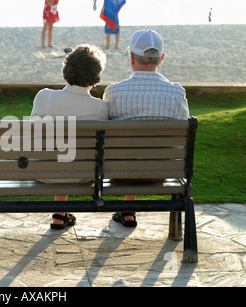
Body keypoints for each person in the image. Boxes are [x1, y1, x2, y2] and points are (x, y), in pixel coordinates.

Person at [102, 29, 190, 227]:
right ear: (161, 58)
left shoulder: (114, 92)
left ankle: (128, 209)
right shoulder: (176, 92)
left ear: (131, 57)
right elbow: (183, 136)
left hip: (120, 173)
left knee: (130, 149)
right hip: (161, 171)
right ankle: (127, 209)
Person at [31, 44, 108, 229]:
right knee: (68, 157)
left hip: (43, 173)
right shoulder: (101, 108)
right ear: (96, 76)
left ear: (66, 70)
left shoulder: (44, 96)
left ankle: (60, 214)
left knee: (58, 154)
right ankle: (60, 214)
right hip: (82, 174)